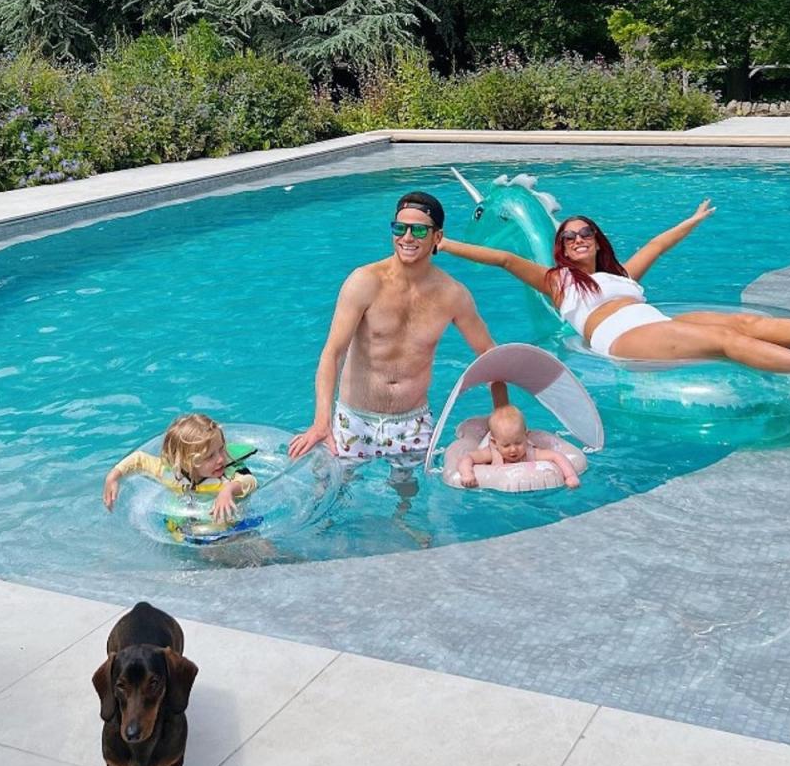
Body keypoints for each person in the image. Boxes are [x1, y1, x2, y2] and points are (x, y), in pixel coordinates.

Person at [440, 200, 790, 378]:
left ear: (596, 238)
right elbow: (502, 258)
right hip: (621, 337)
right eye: (569, 236)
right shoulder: (558, 280)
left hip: (654, 321)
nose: (577, 238)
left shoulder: (623, 275)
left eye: (584, 232)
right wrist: (442, 243)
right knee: (727, 339)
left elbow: (658, 244)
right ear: (562, 250)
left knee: (747, 322)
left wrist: (692, 220)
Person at [288, 191, 507, 464]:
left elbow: (489, 354)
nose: (407, 237)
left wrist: (503, 415)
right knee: (339, 492)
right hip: (354, 420)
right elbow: (332, 353)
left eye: (418, 230)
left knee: (409, 500)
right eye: (399, 228)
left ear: (437, 237)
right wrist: (322, 421)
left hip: (412, 425)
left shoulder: (452, 295)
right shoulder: (364, 282)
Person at [102, 413, 257, 522]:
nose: (221, 459)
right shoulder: (172, 475)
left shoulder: (228, 474)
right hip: (194, 532)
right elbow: (139, 459)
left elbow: (250, 481)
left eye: (222, 449)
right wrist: (114, 476)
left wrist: (228, 490)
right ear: (186, 462)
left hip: (234, 528)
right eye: (210, 456)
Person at [457, 404, 581, 489]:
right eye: (506, 445)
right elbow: (467, 458)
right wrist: (467, 474)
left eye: (518, 443)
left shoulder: (530, 452)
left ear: (526, 437)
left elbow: (556, 456)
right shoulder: (492, 452)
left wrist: (570, 476)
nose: (513, 449)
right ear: (495, 443)